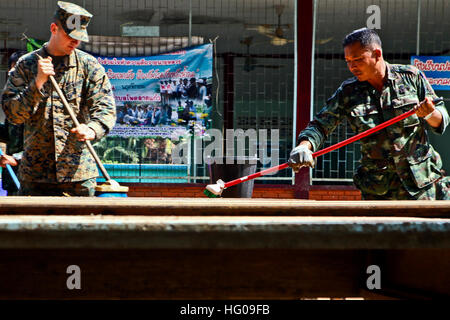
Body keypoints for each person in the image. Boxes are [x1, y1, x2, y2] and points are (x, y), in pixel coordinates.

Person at [288, 28, 449, 200]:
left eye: (357, 59)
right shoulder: (348, 92)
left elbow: (442, 118)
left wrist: (429, 113)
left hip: (422, 186)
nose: (352, 66)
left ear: (377, 54)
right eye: (348, 61)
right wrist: (304, 146)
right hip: (379, 190)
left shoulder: (411, 77)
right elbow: (320, 125)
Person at [1, 1, 116, 196]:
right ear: (54, 28)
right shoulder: (27, 65)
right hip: (35, 176)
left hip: (78, 175)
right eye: (69, 36)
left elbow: (106, 110)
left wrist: (91, 129)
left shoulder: (89, 66)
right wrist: (37, 83)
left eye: (79, 38)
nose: (75, 42)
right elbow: (13, 114)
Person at [0, 50, 26, 195]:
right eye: (11, 67)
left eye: (16, 67)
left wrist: (16, 158)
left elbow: (44, 144)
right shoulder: (13, 102)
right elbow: (10, 135)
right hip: (13, 179)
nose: (11, 71)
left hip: (32, 180)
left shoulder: (39, 102)